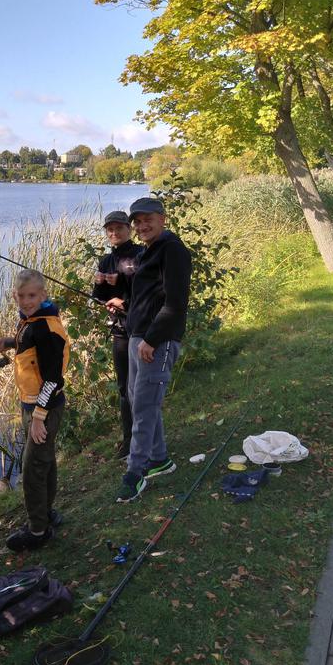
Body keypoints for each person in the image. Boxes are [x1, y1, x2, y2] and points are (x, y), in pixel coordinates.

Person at [106, 197, 191, 503]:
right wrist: (124, 304)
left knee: (143, 406)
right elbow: (149, 296)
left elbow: (175, 304)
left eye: (148, 220)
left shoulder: (173, 249)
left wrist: (153, 340)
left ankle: (136, 472)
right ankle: (159, 459)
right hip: (136, 335)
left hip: (157, 340)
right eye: (138, 222)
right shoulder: (149, 251)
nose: (142, 226)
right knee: (138, 399)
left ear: (163, 218)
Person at [0, 269, 70, 551]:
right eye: (21, 296)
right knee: (45, 460)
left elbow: (54, 378)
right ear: (15, 295)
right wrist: (10, 342)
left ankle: (38, 531)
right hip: (33, 403)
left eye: (32, 296)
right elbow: (30, 344)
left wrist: (39, 417)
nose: (26, 301)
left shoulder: (47, 328)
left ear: (43, 295)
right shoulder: (30, 322)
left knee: (31, 469)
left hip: (45, 407)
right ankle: (47, 513)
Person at [92, 210, 144, 460]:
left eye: (119, 228)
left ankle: (144, 435)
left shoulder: (140, 255)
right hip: (120, 332)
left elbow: (147, 295)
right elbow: (99, 297)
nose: (114, 233)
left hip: (141, 330)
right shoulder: (106, 261)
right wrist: (102, 284)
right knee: (124, 387)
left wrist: (123, 301)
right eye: (109, 230)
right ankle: (128, 440)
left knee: (140, 387)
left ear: (129, 229)